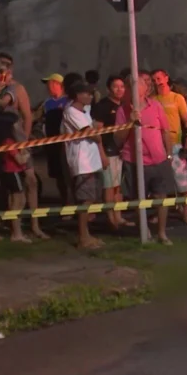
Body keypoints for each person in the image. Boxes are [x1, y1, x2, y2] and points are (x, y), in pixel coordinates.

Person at [115, 71, 178, 244]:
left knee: (161, 197)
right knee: (138, 199)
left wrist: (169, 154)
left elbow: (165, 131)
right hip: (134, 161)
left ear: (145, 89)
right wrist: (130, 122)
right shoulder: (122, 110)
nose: (134, 88)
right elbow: (118, 139)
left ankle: (162, 233)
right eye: (131, 85)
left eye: (138, 84)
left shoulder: (156, 106)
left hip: (158, 159)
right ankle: (145, 232)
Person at [0, 56, 47, 238]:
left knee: (30, 181)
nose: (4, 72)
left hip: (17, 139)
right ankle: (11, 224)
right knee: (5, 184)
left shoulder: (16, 89)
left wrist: (25, 142)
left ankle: (35, 224)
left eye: (7, 68)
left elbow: (27, 116)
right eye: (0, 68)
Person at [61, 81, 107, 249]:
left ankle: (87, 233)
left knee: (92, 199)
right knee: (85, 200)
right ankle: (82, 237)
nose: (90, 96)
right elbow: (92, 134)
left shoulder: (85, 110)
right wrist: (96, 133)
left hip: (92, 160)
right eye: (87, 93)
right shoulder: (71, 111)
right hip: (82, 162)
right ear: (78, 95)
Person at [90, 75, 132, 229]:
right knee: (108, 186)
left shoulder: (125, 105)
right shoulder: (102, 106)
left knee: (117, 186)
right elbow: (97, 133)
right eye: (116, 86)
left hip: (120, 152)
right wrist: (101, 154)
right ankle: (110, 218)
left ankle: (118, 216)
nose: (119, 90)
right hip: (107, 152)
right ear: (109, 89)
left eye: (122, 86)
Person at [153, 69, 187, 223]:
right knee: (159, 182)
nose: (157, 82)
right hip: (157, 145)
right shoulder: (152, 100)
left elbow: (186, 121)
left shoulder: (177, 98)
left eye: (159, 78)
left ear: (166, 78)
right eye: (154, 80)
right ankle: (159, 213)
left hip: (176, 145)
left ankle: (186, 212)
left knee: (182, 182)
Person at [0, 120, 31, 243]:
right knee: (18, 202)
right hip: (12, 173)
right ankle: (16, 233)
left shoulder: (13, 141)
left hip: (13, 172)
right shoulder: (9, 142)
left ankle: (16, 231)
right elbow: (21, 160)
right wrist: (27, 154)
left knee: (17, 201)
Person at [40, 73, 73, 205]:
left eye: (50, 83)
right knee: (58, 176)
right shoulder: (47, 103)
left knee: (69, 175)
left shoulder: (68, 101)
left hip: (66, 144)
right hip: (52, 144)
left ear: (58, 85)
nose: (48, 87)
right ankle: (65, 202)